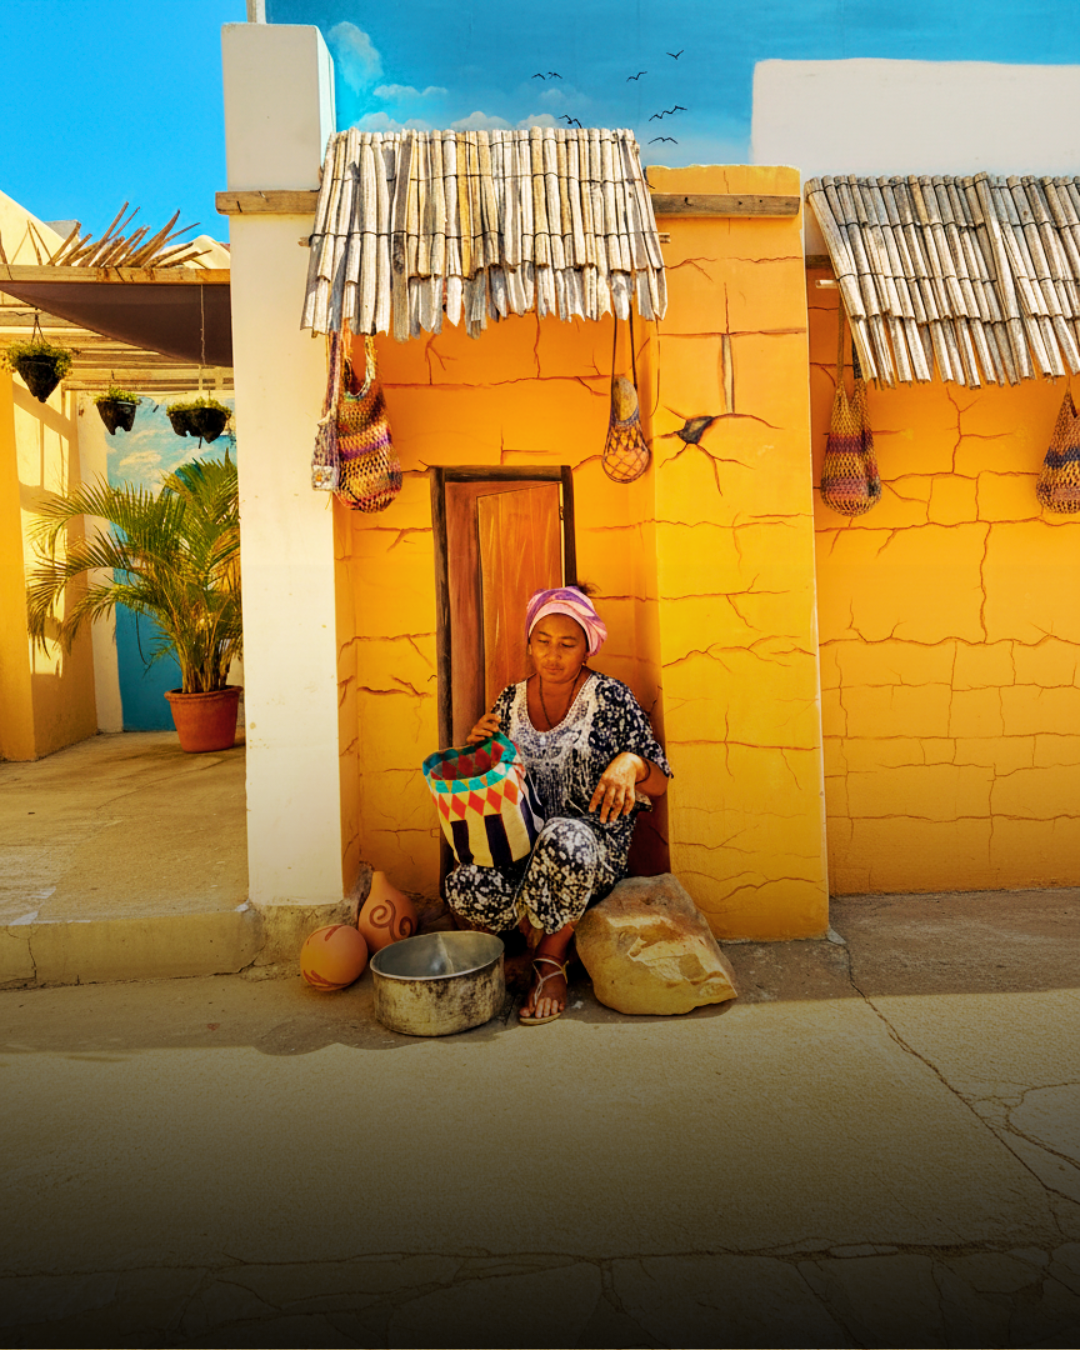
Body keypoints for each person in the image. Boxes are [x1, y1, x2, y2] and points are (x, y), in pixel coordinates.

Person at [444, 585, 671, 1025]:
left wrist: (629, 763)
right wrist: (481, 753)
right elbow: (494, 783)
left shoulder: (610, 699)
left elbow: (659, 780)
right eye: (542, 642)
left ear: (586, 649)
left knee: (563, 836)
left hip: (588, 851)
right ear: (529, 644)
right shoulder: (508, 702)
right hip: (520, 851)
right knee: (463, 884)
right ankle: (520, 939)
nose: (553, 654)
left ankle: (551, 957)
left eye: (567, 644)